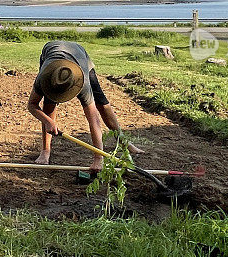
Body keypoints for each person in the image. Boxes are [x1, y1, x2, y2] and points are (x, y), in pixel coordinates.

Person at [27, 40, 142, 172]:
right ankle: (45, 151)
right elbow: (32, 104)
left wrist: (98, 159)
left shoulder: (83, 85)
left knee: (102, 103)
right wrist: (47, 121)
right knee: (49, 106)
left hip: (80, 56)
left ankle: (123, 142)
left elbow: (94, 119)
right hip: (52, 54)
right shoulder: (44, 78)